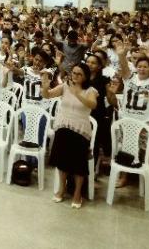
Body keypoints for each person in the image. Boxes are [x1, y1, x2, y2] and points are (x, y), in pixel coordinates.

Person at [43, 63, 98, 209]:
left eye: (79, 74)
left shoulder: (90, 90)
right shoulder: (65, 86)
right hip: (63, 127)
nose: (75, 76)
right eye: (74, 73)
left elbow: (92, 105)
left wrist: (78, 93)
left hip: (80, 131)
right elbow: (47, 95)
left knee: (78, 165)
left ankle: (77, 193)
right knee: (62, 162)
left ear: (85, 76)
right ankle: (61, 189)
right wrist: (44, 85)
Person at [114, 41, 149, 187]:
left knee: (146, 151)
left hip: (146, 122)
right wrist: (122, 55)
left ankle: (148, 177)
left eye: (145, 66)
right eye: (139, 66)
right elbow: (123, 67)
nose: (142, 69)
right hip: (128, 120)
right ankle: (124, 177)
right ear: (136, 67)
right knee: (125, 148)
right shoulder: (130, 78)